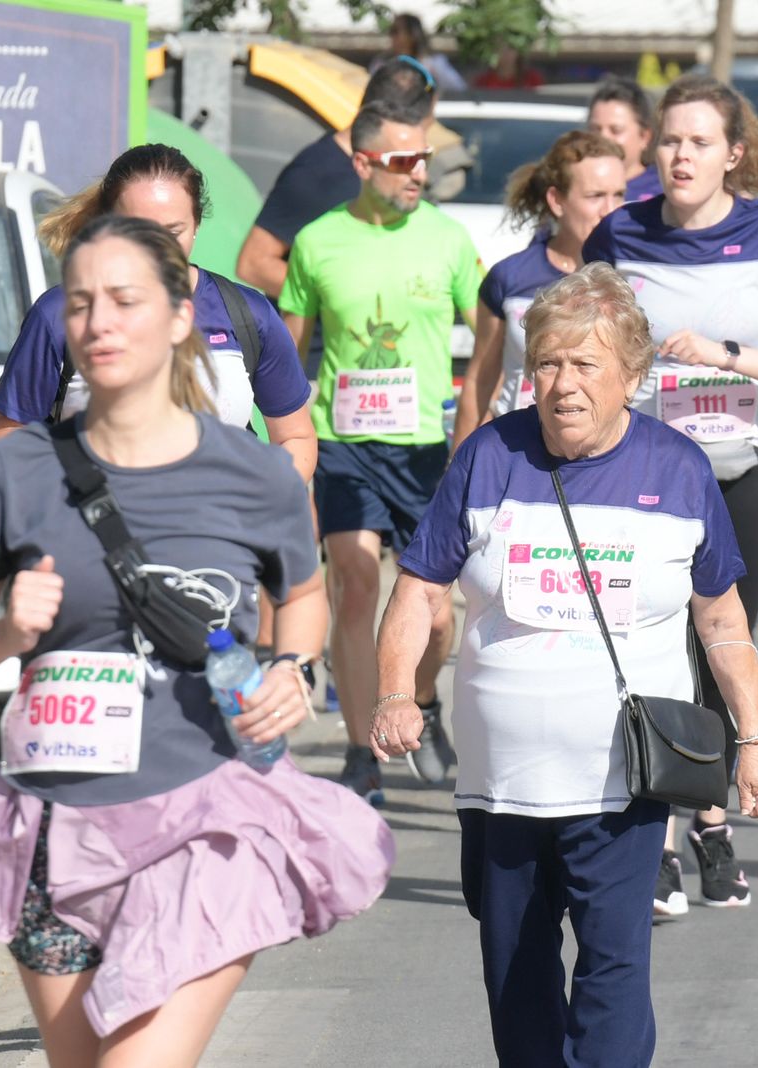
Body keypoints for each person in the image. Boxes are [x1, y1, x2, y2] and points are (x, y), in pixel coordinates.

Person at [0, 214, 392, 1066]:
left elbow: (303, 597)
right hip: (50, 826)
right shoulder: (14, 475)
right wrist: (2, 629)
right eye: (80, 305)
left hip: (204, 817)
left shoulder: (252, 475)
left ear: (181, 316)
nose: (100, 323)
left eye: (125, 300)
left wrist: (293, 666)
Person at [373, 263, 758, 1066]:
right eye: (547, 363)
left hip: (623, 778)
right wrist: (395, 693)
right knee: (516, 969)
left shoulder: (678, 468)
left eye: (585, 364)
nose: (561, 384)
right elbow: (419, 592)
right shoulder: (489, 457)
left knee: (615, 964)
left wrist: (756, 740)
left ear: (632, 375)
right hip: (503, 782)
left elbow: (722, 617)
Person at [583, 74, 758, 913]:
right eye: (670, 141)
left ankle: (710, 820)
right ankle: (662, 839)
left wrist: (726, 354)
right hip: (644, 475)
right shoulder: (619, 232)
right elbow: (586, 343)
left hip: (747, 470)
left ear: (734, 153)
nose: (682, 155)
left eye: (700, 142)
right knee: (655, 645)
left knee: (721, 646)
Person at [279, 100, 484, 801]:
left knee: (431, 611)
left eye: (423, 157)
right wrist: (291, 445)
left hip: (426, 447)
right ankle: (363, 747)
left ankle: (422, 699)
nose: (418, 172)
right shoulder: (317, 241)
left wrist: (475, 426)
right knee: (358, 586)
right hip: (344, 444)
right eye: (402, 160)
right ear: (363, 164)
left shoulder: (449, 239)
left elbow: (488, 335)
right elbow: (286, 346)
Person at [0, 145, 315, 482]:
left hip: (221, 530)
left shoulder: (247, 314)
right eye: (138, 229)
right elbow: (5, 436)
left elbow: (295, 437)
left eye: (173, 232)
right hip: (96, 529)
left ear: (197, 224)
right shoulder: (60, 315)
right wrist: (71, 505)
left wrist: (262, 505)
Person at [458, 131, 628, 443]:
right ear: (557, 200)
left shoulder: (632, 276)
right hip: (520, 448)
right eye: (595, 196)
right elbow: (480, 380)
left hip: (602, 454)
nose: (611, 210)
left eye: (618, 194)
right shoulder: (510, 277)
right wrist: (458, 468)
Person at [236, 57, 436, 307]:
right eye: (428, 124)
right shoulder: (315, 174)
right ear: (401, 121)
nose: (418, 169)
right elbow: (253, 265)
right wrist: (339, 298)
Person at [588, 77, 662, 202]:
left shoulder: (662, 192)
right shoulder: (575, 186)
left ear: (644, 137)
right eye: (596, 129)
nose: (603, 138)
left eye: (615, 130)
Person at [377, 13, 466, 93]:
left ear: (412, 35)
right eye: (392, 31)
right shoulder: (382, 63)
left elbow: (459, 87)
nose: (391, 36)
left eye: (395, 31)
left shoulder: (433, 63)